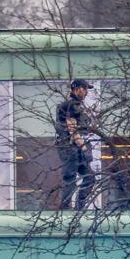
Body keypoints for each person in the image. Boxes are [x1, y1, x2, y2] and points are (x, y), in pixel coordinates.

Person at [53, 79, 96, 210]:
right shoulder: (70, 106)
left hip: (74, 148)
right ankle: (65, 210)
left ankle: (79, 207)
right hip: (70, 148)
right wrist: (84, 148)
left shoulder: (76, 105)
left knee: (89, 177)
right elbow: (73, 129)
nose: (86, 92)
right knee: (70, 180)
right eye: (85, 89)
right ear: (77, 89)